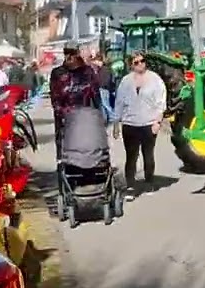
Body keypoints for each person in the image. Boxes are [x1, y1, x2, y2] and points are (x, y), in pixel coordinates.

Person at [113, 51, 167, 193]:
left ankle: (149, 182)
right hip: (130, 124)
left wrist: (158, 122)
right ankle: (130, 185)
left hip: (148, 123)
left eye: (142, 61)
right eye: (136, 62)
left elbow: (161, 102)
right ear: (131, 65)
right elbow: (119, 102)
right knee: (131, 156)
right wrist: (116, 124)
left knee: (148, 154)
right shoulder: (126, 81)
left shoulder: (155, 80)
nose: (140, 64)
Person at [49, 43, 102, 157]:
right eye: (66, 53)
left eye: (72, 53)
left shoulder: (88, 71)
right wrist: (61, 112)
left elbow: (96, 94)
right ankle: (62, 167)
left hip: (84, 117)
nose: (69, 56)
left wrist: (99, 116)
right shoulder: (57, 72)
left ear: (77, 55)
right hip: (64, 119)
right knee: (64, 150)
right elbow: (54, 96)